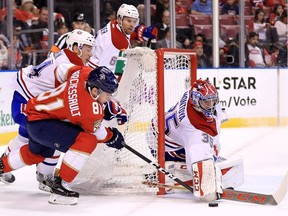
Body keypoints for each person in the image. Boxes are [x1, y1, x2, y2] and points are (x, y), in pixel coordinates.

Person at [0, 64, 125, 205]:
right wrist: (113, 137)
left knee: (37, 153)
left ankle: (1, 165)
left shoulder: (84, 73)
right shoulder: (88, 110)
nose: (109, 98)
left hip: (37, 116)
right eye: (108, 94)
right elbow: (99, 135)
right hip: (42, 123)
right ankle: (60, 186)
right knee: (87, 141)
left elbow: (62, 69)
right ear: (95, 91)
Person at [0, 29, 95, 189]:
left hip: (26, 100)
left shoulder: (66, 56)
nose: (90, 54)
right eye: (88, 49)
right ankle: (44, 175)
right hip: (26, 102)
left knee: (25, 137)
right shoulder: (67, 64)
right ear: (76, 48)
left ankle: (7, 166)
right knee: (54, 135)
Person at [146, 79, 243, 202]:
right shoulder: (195, 130)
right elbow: (199, 160)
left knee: (211, 148)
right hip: (164, 148)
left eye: (213, 101)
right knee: (219, 163)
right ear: (197, 102)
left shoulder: (191, 93)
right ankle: (169, 169)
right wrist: (209, 186)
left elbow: (201, 87)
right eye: (207, 103)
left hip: (159, 133)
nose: (211, 105)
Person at [88, 3, 158, 76]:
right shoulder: (117, 42)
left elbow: (132, 33)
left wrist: (144, 32)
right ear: (119, 19)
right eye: (129, 21)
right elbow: (107, 73)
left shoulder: (115, 25)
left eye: (134, 21)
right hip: (94, 73)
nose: (132, 25)